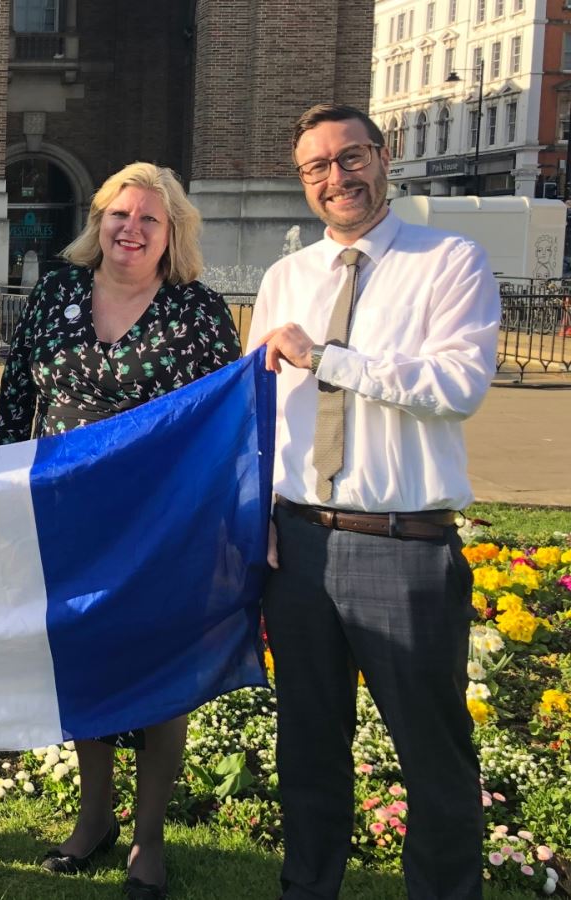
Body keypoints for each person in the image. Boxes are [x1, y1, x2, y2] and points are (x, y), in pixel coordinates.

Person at [250, 103, 499, 900]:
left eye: (349, 158)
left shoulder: (449, 260)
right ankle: (308, 888)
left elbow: (458, 386)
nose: (336, 178)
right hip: (300, 546)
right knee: (309, 749)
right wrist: (259, 516)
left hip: (404, 545)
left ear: (382, 157)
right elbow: (267, 417)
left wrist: (330, 359)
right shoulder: (285, 277)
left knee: (433, 754)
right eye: (317, 168)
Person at [0, 161, 237, 900]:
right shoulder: (59, 293)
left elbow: (226, 422)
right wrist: (3, 490)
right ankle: (92, 819)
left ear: (172, 235)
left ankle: (148, 840)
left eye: (148, 221)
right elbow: (15, 395)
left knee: (160, 677)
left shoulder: (197, 311)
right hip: (68, 518)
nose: (130, 230)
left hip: (164, 526)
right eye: (117, 215)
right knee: (88, 664)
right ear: (97, 222)